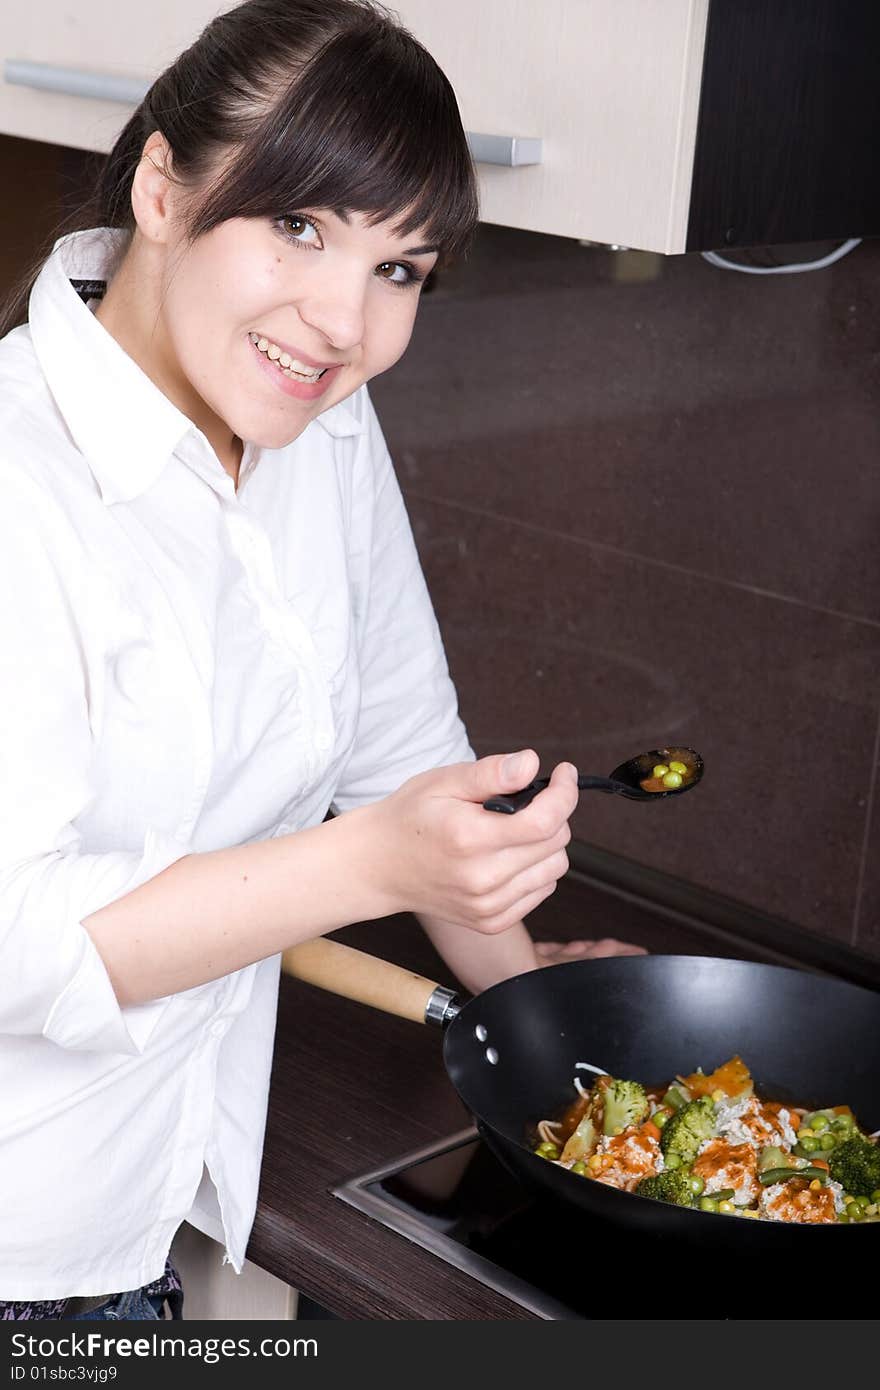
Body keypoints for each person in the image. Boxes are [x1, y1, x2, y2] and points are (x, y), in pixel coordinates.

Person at [0, 0, 643, 1321]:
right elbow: (23, 941)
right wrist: (371, 864)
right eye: (299, 226)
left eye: (399, 269)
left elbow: (402, 754)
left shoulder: (316, 427)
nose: (344, 321)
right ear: (165, 186)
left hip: (144, 1219)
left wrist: (525, 993)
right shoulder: (21, 481)